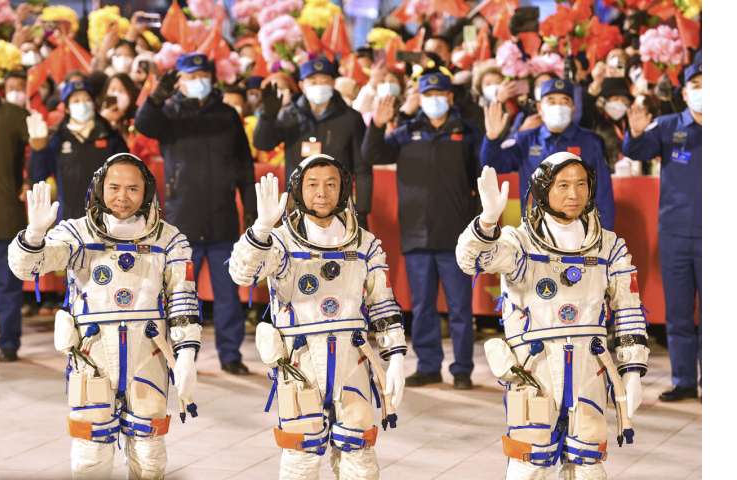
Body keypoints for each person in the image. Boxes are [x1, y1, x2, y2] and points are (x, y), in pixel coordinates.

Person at [8, 154, 202, 478]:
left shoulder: (168, 239)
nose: (122, 197)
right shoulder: (77, 234)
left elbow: (183, 300)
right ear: (99, 188)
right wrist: (34, 236)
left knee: (150, 454)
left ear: (147, 192)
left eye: (132, 189)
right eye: (114, 187)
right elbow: (29, 267)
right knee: (90, 456)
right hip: (92, 357)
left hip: (149, 354)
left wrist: (186, 356)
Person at [456, 154, 649, 479]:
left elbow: (628, 309)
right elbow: (471, 260)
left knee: (589, 465)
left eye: (581, 185)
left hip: (589, 371)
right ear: (543, 189)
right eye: (563, 185)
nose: (574, 194)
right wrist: (487, 222)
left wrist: (631, 371)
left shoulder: (609, 247)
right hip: (535, 373)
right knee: (529, 464)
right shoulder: (519, 243)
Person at [228, 154, 406, 479]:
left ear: (344, 189)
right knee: (301, 459)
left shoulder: (365, 244)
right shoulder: (280, 242)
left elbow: (383, 302)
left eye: (330, 184)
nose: (321, 193)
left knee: (360, 459)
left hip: (352, 361)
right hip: (300, 363)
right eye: (312, 185)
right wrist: (261, 228)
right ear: (299, 189)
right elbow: (243, 274)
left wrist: (394, 356)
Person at [134, 53, 256, 375]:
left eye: (203, 74)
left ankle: (230, 354)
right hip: (183, 219)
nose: (197, 81)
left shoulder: (228, 115)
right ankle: (178, 353)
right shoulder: (170, 114)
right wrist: (156, 98)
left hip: (222, 218)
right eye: (190, 76)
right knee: (180, 293)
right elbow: (143, 125)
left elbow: (245, 166)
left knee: (228, 293)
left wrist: (252, 213)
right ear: (181, 81)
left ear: (212, 77)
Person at [362, 69, 481, 390]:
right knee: (422, 307)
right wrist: (376, 124)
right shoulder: (407, 131)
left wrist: (480, 229)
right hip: (416, 233)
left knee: (459, 308)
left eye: (439, 95)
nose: (434, 101)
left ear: (450, 98)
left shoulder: (466, 133)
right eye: (428, 96)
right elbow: (372, 154)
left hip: (456, 236)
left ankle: (462, 369)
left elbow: (481, 179)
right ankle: (428, 366)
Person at [623, 61, 702, 402]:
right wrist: (637, 133)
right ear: (684, 92)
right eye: (696, 84)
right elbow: (636, 150)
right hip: (675, 235)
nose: (702, 90)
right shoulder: (669, 126)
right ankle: (683, 380)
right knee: (679, 313)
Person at [481, 78, 616, 230]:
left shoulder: (590, 142)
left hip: (579, 231)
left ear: (573, 107)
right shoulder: (526, 140)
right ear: (539, 108)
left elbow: (603, 195)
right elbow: (494, 165)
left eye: (564, 101)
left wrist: (603, 236)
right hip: (536, 231)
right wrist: (491, 139)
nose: (558, 106)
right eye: (551, 101)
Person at [253, 57, 371, 227]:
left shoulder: (350, 118)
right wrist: (267, 117)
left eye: (325, 81)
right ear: (301, 85)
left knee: (338, 253)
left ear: (333, 83)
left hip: (339, 206)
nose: (319, 86)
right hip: (297, 206)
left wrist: (362, 210)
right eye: (313, 81)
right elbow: (263, 144)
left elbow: (362, 168)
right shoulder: (289, 115)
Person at [0, 59, 29, 361]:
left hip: (4, 215)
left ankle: (9, 342)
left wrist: (31, 181)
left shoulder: (14, 115)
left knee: (7, 286)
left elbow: (40, 149)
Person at [30, 80, 128, 221]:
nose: (82, 104)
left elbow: (127, 173)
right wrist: (38, 149)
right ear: (67, 108)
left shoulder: (110, 136)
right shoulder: (58, 138)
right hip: (68, 220)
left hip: (107, 219)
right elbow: (37, 176)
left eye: (87, 100)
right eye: (76, 101)